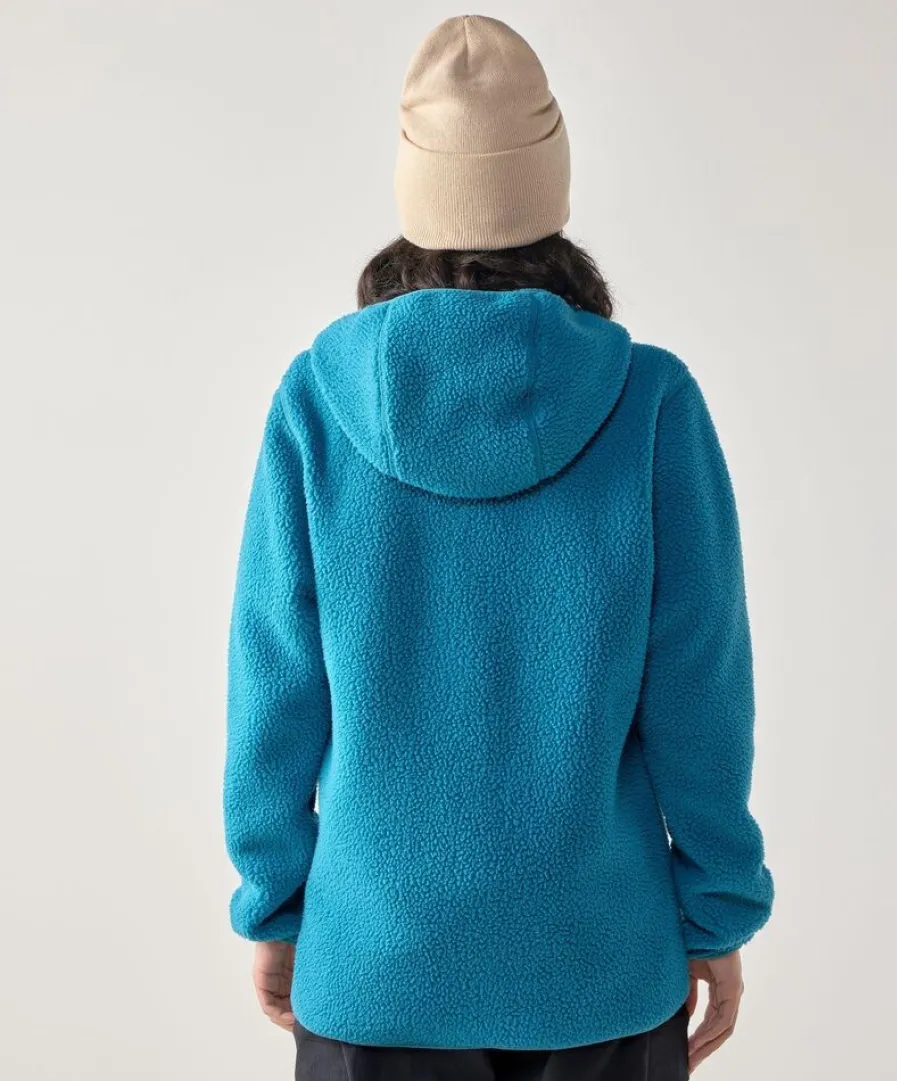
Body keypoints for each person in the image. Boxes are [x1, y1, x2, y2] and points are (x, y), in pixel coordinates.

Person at [222, 14, 774, 1080]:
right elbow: (701, 692)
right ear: (550, 190)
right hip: (600, 967)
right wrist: (715, 910)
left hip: (375, 970)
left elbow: (274, 689)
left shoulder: (316, 402)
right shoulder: (650, 402)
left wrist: (276, 904)